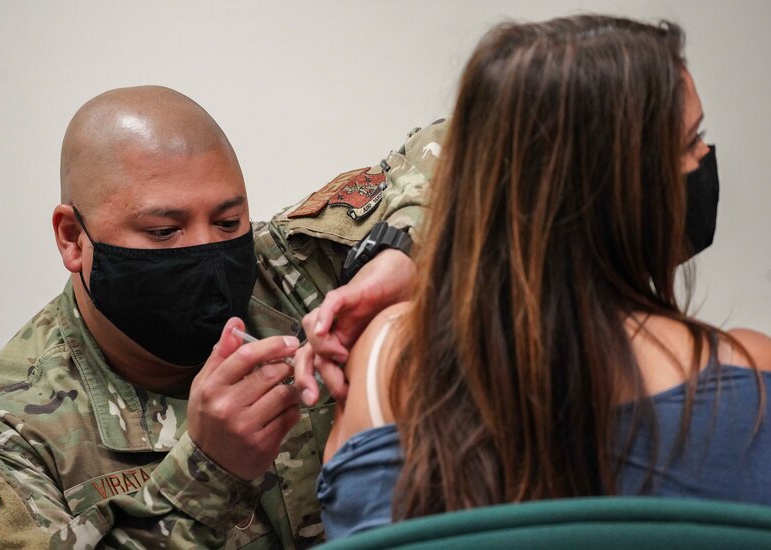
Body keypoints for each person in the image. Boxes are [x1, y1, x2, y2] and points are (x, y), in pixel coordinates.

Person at [295, 15, 771, 539]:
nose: (704, 157)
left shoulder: (382, 372)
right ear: (622, 186)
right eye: (690, 140)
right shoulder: (751, 378)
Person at [0, 85, 444, 548]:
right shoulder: (2, 444)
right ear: (72, 238)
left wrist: (400, 251)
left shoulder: (293, 271)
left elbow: (474, 146)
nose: (207, 251)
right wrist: (208, 473)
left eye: (228, 222)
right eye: (164, 231)